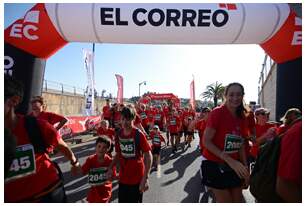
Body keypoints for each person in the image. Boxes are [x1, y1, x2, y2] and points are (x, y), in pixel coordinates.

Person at [4, 75, 79, 202]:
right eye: (32, 107)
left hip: (47, 193)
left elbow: (62, 143)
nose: (34, 109)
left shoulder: (39, 122)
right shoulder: (30, 118)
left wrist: (74, 162)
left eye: (36, 107)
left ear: (14, 101)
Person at [202, 82, 250, 203]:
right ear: (225, 96)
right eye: (231, 94)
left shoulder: (242, 116)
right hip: (214, 163)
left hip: (234, 164)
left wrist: (245, 168)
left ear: (243, 96)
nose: (235, 98)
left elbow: (241, 144)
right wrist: (229, 159)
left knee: (237, 201)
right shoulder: (217, 113)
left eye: (239, 94)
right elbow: (206, 141)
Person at [106, 106, 152, 203]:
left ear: (133, 119)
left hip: (137, 179)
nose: (125, 122)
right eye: (123, 119)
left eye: (128, 119)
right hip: (123, 179)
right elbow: (118, 154)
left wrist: (145, 178)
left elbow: (148, 155)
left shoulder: (139, 134)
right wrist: (111, 167)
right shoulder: (119, 134)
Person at [73, 136, 117, 203]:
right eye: (99, 146)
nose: (101, 149)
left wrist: (112, 176)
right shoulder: (90, 159)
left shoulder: (110, 162)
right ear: (95, 147)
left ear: (108, 149)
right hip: (93, 192)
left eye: (104, 147)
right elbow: (83, 172)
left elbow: (112, 177)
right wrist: (76, 168)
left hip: (105, 192)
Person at [276, 113, 301, 202]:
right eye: (296, 114)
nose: (298, 115)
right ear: (290, 116)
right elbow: (284, 185)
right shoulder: (296, 131)